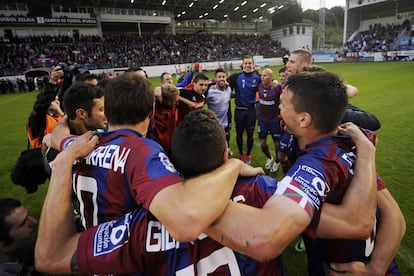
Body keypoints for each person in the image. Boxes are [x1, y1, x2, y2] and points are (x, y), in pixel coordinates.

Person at [36, 109, 376, 275]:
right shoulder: (265, 193)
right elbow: (353, 223)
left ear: (173, 162)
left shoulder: (145, 222)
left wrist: (64, 162)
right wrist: (367, 153)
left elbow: (50, 258)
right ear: (226, 153)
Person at [36, 73, 260, 271]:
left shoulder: (81, 144)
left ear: (109, 109)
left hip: (93, 251)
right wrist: (233, 165)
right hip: (125, 258)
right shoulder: (141, 152)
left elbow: (57, 137)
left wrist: (64, 119)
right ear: (150, 112)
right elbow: (183, 221)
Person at [205, 71, 405, 276]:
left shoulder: (316, 164)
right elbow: (394, 215)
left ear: (303, 119)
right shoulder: (352, 146)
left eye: (283, 104)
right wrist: (377, 267)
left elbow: (265, 237)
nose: (278, 107)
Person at [227, 55, 261, 164]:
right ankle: (241, 153)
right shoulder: (236, 77)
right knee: (239, 134)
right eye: (246, 63)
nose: (247, 65)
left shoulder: (258, 77)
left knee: (250, 134)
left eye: (249, 63)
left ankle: (249, 154)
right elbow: (224, 83)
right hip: (239, 111)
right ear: (242, 65)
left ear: (253, 64)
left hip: (251, 111)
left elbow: (268, 83)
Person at [27, 67, 65, 149]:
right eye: (54, 99)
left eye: (57, 99)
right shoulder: (39, 119)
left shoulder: (59, 116)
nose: (57, 101)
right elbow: (41, 104)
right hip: (42, 156)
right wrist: (52, 82)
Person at [0, 198, 38, 276]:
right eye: (23, 223)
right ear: (4, 246)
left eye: (28, 217)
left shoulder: (17, 249)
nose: (34, 221)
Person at [257, 68, 283, 173]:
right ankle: (269, 157)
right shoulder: (259, 86)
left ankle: (277, 161)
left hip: (274, 120)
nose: (263, 77)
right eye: (262, 75)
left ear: (271, 77)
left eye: (265, 75)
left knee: (277, 144)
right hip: (262, 120)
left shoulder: (277, 88)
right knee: (262, 143)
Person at [205, 68, 233, 156]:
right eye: (219, 77)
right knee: (215, 145)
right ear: (215, 79)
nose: (221, 78)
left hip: (225, 123)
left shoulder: (228, 89)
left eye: (223, 76)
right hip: (214, 124)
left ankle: (226, 152)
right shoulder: (210, 92)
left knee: (226, 141)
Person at [148, 83, 180, 156]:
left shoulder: (172, 108)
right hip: (158, 147)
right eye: (175, 99)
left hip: (166, 146)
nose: (177, 101)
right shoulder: (153, 108)